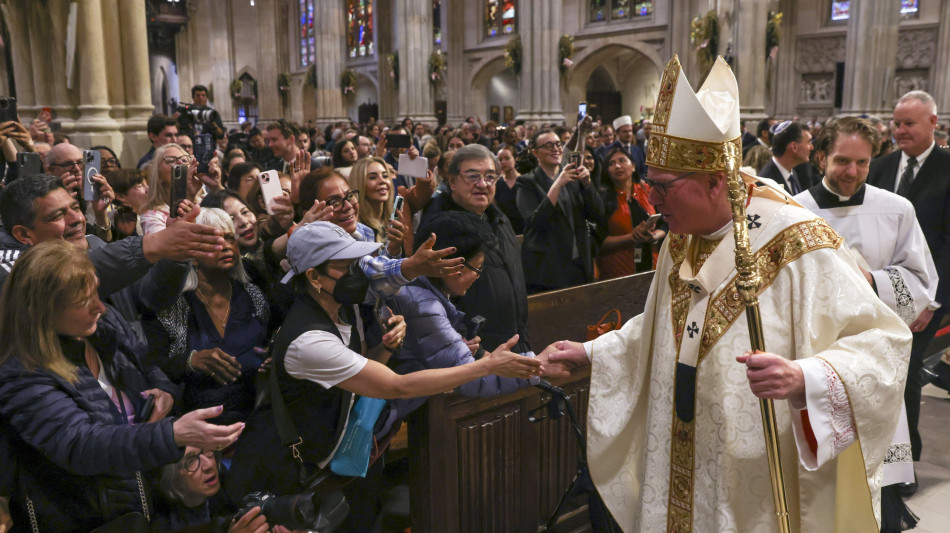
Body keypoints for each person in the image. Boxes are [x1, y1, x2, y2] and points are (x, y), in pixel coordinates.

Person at [546, 55, 911, 532]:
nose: (650, 201)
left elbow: (884, 342)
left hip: (754, 470)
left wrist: (808, 377)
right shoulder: (682, 233)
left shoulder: (798, 241)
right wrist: (592, 352)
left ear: (715, 180)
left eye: (661, 187)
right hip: (683, 452)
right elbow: (664, 329)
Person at [225, 221, 542, 530]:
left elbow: (359, 369)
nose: (356, 272)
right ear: (314, 277)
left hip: (320, 456)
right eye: (345, 265)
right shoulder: (309, 341)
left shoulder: (339, 307)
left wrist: (390, 346)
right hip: (275, 472)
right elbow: (397, 386)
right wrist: (486, 365)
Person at [0, 240, 245, 533]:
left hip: (142, 506)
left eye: (97, 292)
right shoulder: (21, 372)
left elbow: (146, 364)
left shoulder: (102, 324)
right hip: (87, 519)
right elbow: (82, 445)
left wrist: (165, 392)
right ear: (42, 311)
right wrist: (171, 434)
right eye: (83, 301)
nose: (99, 306)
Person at [795, 116, 936, 532]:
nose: (852, 172)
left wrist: (873, 279)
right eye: (842, 160)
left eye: (862, 162)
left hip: (874, 355)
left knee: (874, 453)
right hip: (817, 355)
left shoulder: (895, 209)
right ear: (820, 157)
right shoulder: (795, 213)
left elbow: (922, 280)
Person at [385, 211, 537, 429]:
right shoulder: (425, 305)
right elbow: (473, 381)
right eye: (478, 268)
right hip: (390, 419)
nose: (478, 276)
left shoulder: (422, 290)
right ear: (454, 266)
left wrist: (460, 347)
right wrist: (536, 366)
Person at [867, 90, 950, 476]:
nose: (899, 131)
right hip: (878, 289)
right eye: (896, 123)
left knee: (907, 368)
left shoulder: (948, 168)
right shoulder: (880, 167)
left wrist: (930, 303)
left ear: (933, 123)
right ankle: (875, 451)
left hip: (927, 294)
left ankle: (906, 461)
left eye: (909, 124)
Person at [144, 208, 270, 426]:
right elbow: (151, 364)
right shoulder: (174, 305)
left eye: (230, 238)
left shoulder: (253, 294)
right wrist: (190, 360)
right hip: (196, 426)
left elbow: (277, 335)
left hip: (257, 418)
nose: (226, 246)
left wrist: (272, 357)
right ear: (192, 256)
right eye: (213, 241)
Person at [420, 144, 532, 355]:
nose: (482, 184)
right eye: (472, 176)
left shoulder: (499, 219)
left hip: (513, 343)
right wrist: (477, 351)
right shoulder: (440, 228)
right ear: (452, 181)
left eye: (490, 177)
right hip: (472, 354)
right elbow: (433, 299)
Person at [515, 129, 604, 293]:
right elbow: (535, 222)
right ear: (535, 152)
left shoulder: (573, 178)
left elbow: (597, 213)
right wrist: (557, 185)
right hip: (548, 269)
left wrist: (587, 184)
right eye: (548, 146)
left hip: (579, 262)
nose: (555, 149)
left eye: (558, 144)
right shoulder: (526, 183)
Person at [596, 147, 665, 279]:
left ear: (633, 166)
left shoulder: (647, 190)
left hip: (651, 264)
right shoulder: (602, 199)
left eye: (622, 161)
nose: (617, 166)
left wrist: (654, 236)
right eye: (611, 164)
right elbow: (598, 242)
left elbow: (665, 224)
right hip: (617, 268)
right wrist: (631, 237)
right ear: (607, 172)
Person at [349, 156, 408, 257]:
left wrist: (396, 250)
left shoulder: (392, 221)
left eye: (385, 176)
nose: (382, 181)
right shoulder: (355, 228)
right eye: (373, 177)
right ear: (359, 184)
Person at [140, 143, 197, 234]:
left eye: (184, 159)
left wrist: (216, 187)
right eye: (170, 161)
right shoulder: (152, 216)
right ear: (159, 175)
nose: (180, 162)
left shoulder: (205, 200)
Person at [493, 146, 524, 234]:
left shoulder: (525, 182)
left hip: (525, 228)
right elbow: (496, 211)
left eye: (507, 158)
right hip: (506, 230)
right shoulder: (496, 184)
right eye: (500, 159)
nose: (503, 162)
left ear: (515, 158)